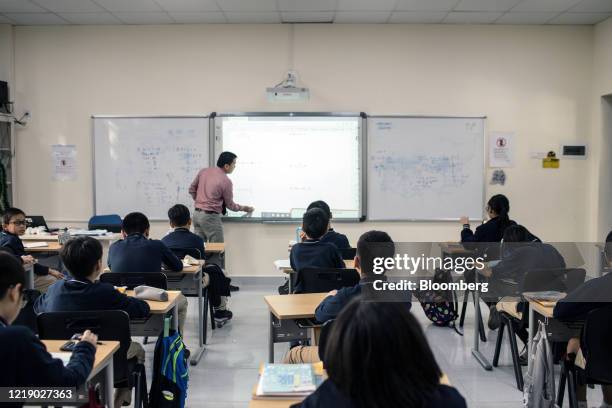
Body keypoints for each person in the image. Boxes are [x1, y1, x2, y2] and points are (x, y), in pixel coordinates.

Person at [35, 236, 149, 406]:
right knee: (138, 349)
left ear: (65, 265)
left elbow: (38, 307)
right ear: (98, 265)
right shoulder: (106, 292)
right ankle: (117, 401)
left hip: (63, 359)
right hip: (108, 359)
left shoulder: (54, 289)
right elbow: (142, 309)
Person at [296, 299, 466, 408]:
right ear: (415, 343)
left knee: (294, 354)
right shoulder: (449, 401)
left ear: (341, 349)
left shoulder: (326, 399)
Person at [283, 230, 411, 364]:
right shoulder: (403, 294)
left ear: (356, 262)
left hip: (347, 359)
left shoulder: (344, 297)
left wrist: (329, 297)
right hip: (386, 360)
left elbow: (319, 315)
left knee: (293, 354)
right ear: (390, 264)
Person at [0, 251, 97, 393]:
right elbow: (67, 383)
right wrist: (85, 347)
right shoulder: (15, 338)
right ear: (14, 293)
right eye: (23, 298)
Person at [484, 225, 565, 348]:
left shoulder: (519, 253)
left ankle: (530, 343)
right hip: (558, 305)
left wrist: (477, 266)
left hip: (530, 308)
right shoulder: (550, 248)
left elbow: (492, 272)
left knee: (501, 305)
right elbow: (562, 269)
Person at [107, 212, 189, 333]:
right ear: (147, 230)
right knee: (182, 301)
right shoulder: (157, 245)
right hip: (153, 299)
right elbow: (178, 266)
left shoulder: (113, 247)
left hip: (122, 302)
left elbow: (111, 267)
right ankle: (175, 345)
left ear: (123, 232)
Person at [553, 245, 612, 408]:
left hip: (600, 362)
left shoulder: (596, 286)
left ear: (607, 258)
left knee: (576, 342)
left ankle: (581, 403)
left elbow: (560, 311)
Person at [161, 204, 233, 322]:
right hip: (195, 283)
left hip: (168, 284)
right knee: (219, 272)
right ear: (190, 221)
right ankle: (220, 310)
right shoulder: (197, 240)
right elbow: (202, 263)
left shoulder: (163, 241)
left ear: (171, 224)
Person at [189, 151, 254, 269]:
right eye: (234, 163)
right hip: (210, 217)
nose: (235, 166)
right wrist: (245, 208)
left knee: (198, 250)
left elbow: (191, 189)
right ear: (226, 166)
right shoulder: (225, 181)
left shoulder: (204, 171)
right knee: (216, 251)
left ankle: (201, 282)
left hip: (197, 215)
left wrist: (199, 202)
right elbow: (230, 205)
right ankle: (218, 283)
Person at [280, 208, 345, 294]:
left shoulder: (296, 249)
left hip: (303, 294)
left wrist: (302, 243)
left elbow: (295, 268)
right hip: (328, 294)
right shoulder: (330, 249)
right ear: (326, 228)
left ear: (303, 227)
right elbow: (341, 269)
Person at [0, 207, 64, 292]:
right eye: (17, 223)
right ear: (5, 226)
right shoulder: (11, 240)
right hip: (20, 277)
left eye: (24, 222)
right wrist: (50, 271)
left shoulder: (5, 236)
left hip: (18, 274)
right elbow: (7, 259)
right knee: (57, 281)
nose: (22, 225)